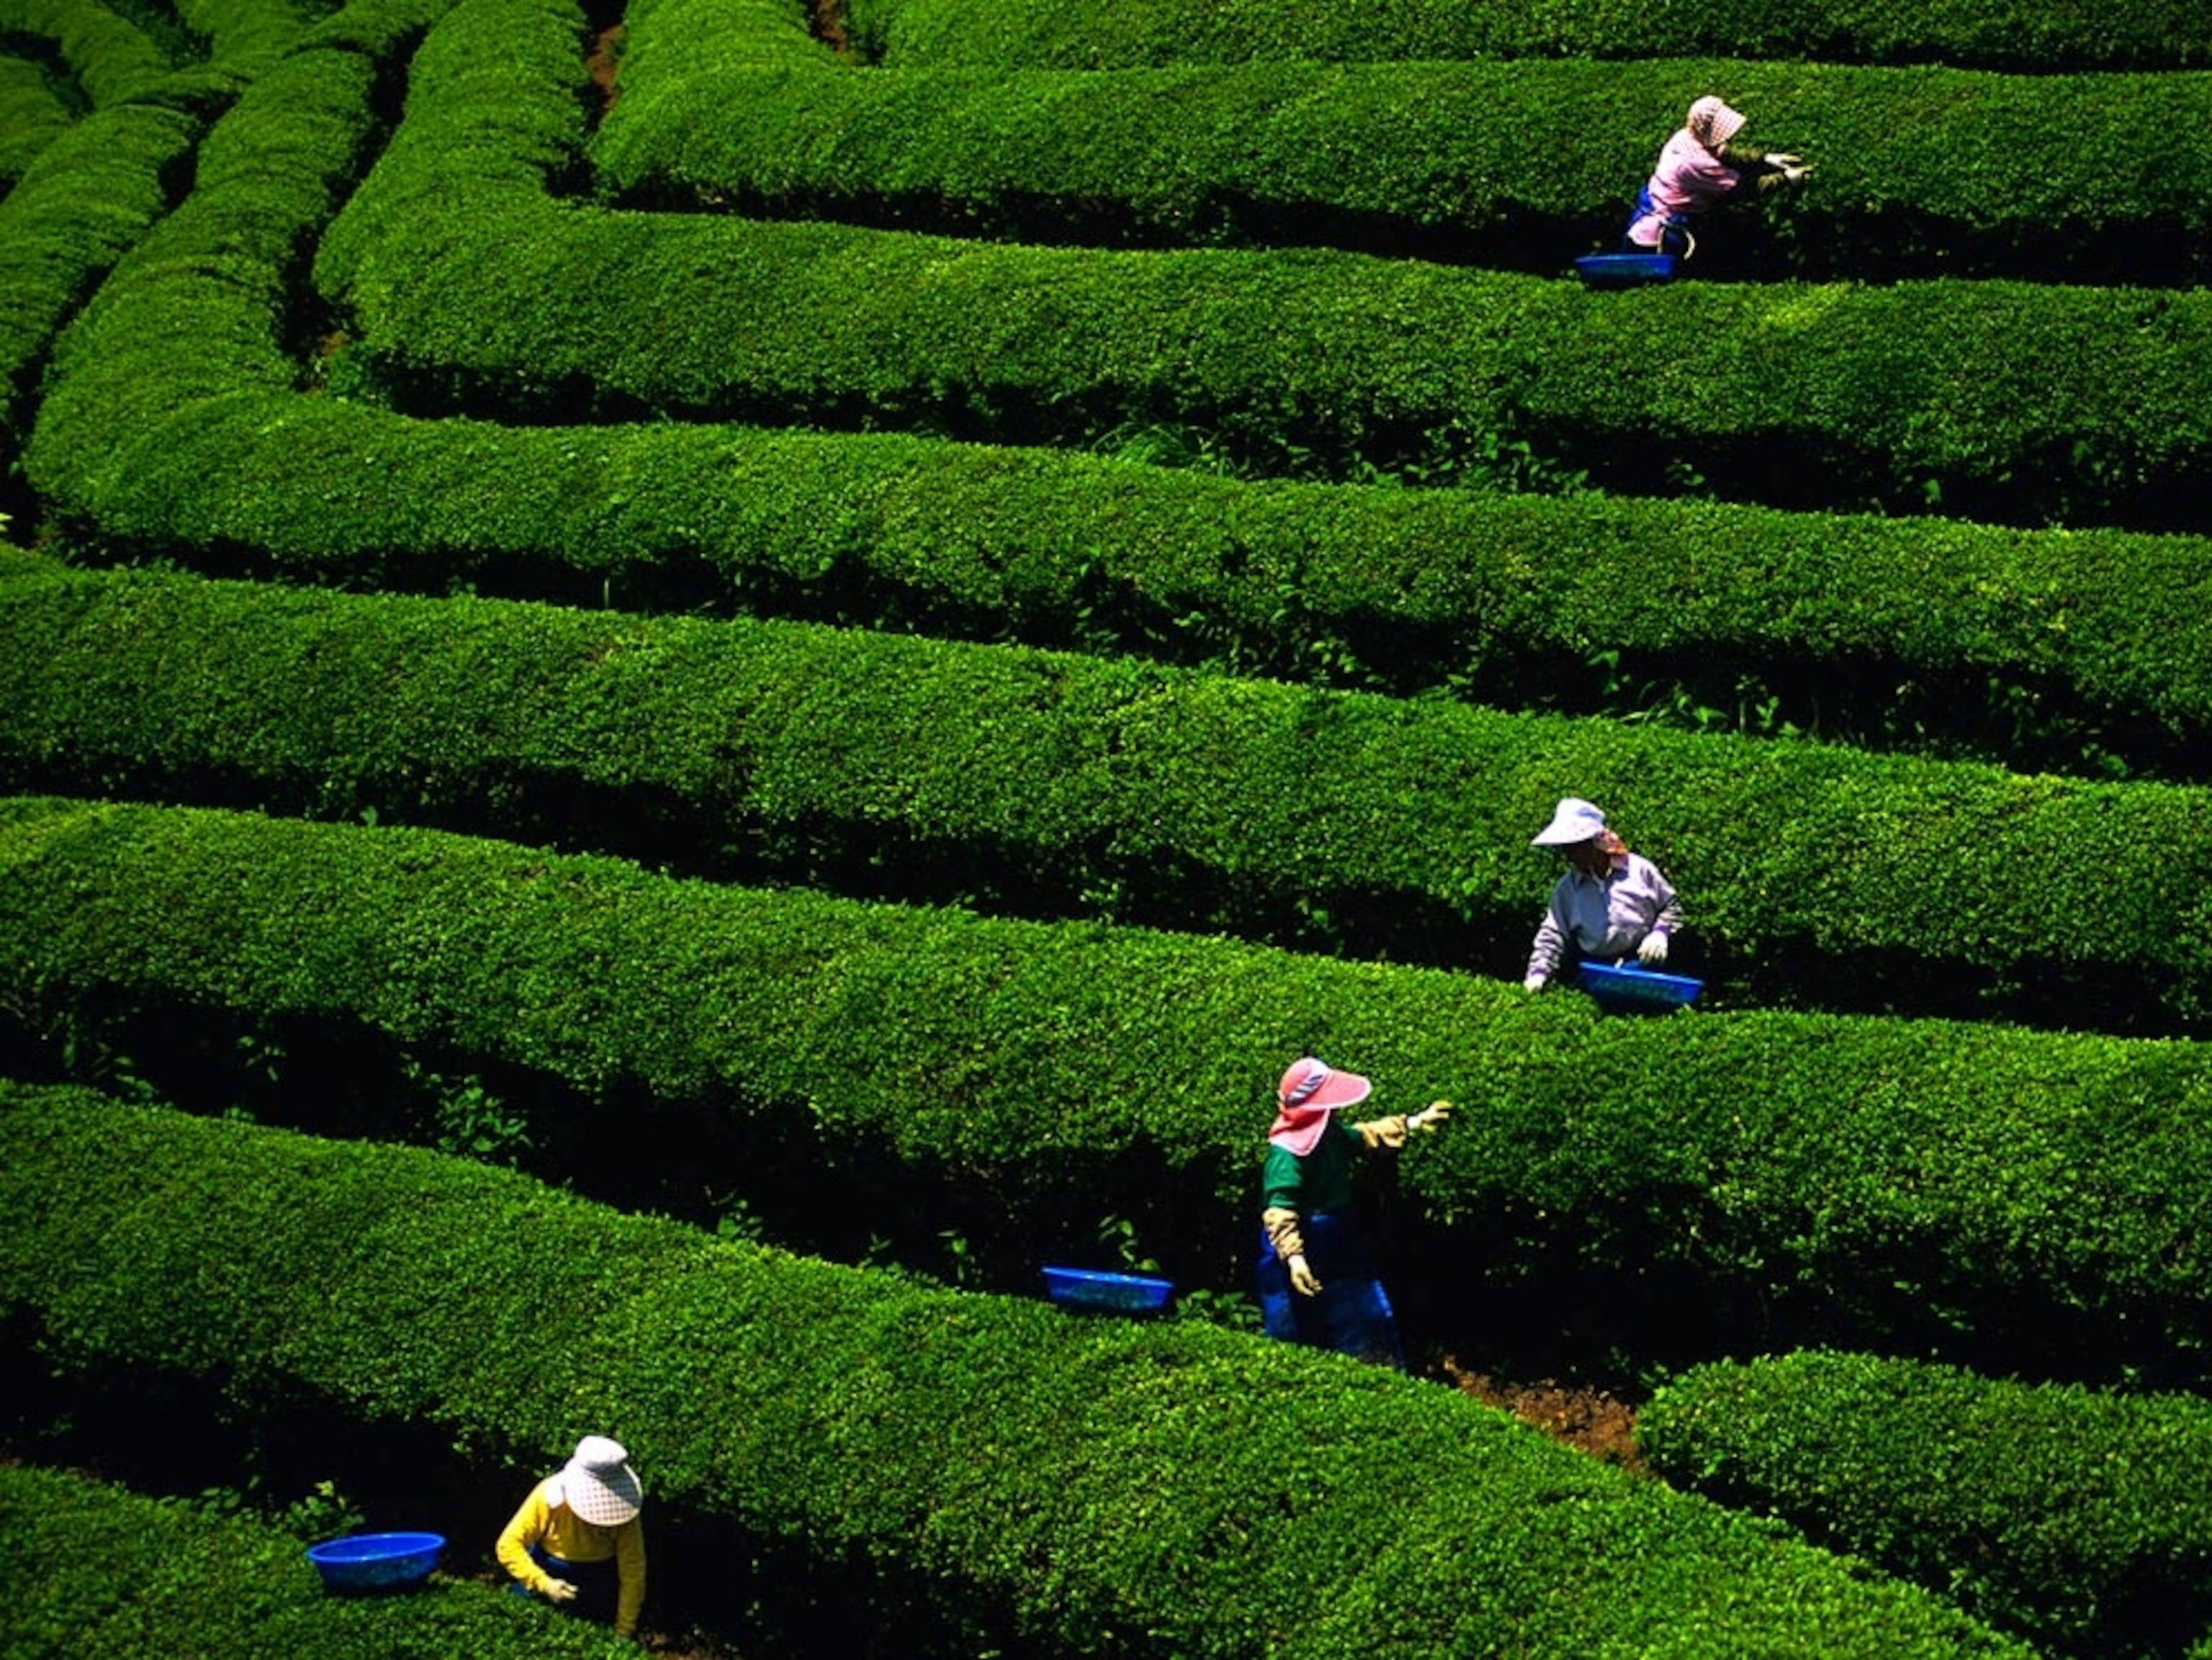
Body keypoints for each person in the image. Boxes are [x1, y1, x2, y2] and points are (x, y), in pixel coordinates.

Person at [1256, 1055, 1451, 1369]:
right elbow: (1280, 1211)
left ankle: (1373, 1369)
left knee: (1361, 1314)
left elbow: (1364, 1136)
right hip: (1305, 1242)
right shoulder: (1286, 1156)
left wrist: (1412, 1123)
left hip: (1338, 1237)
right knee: (1294, 1328)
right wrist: (1295, 1259)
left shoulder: (1329, 1136)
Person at [496, 1434, 647, 1640]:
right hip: (547, 1568)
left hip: (597, 1580)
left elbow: (633, 1571)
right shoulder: (548, 1495)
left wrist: (624, 1629)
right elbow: (508, 1544)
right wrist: (543, 1583)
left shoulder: (626, 1513)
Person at [1522, 797, 1681, 993]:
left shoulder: (1639, 871)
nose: (1569, 855)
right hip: (1593, 972)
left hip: (1642, 967)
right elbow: (1553, 933)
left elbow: (1670, 905)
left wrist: (1660, 933)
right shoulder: (1568, 888)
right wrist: (1538, 973)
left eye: (1575, 847)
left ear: (1596, 843)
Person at [1623, 94, 1807, 260]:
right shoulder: (1698, 164)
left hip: (1650, 211)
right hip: (1661, 235)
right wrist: (1785, 178)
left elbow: (1725, 153)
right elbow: (1744, 189)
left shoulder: (1685, 137)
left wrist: (1766, 159)